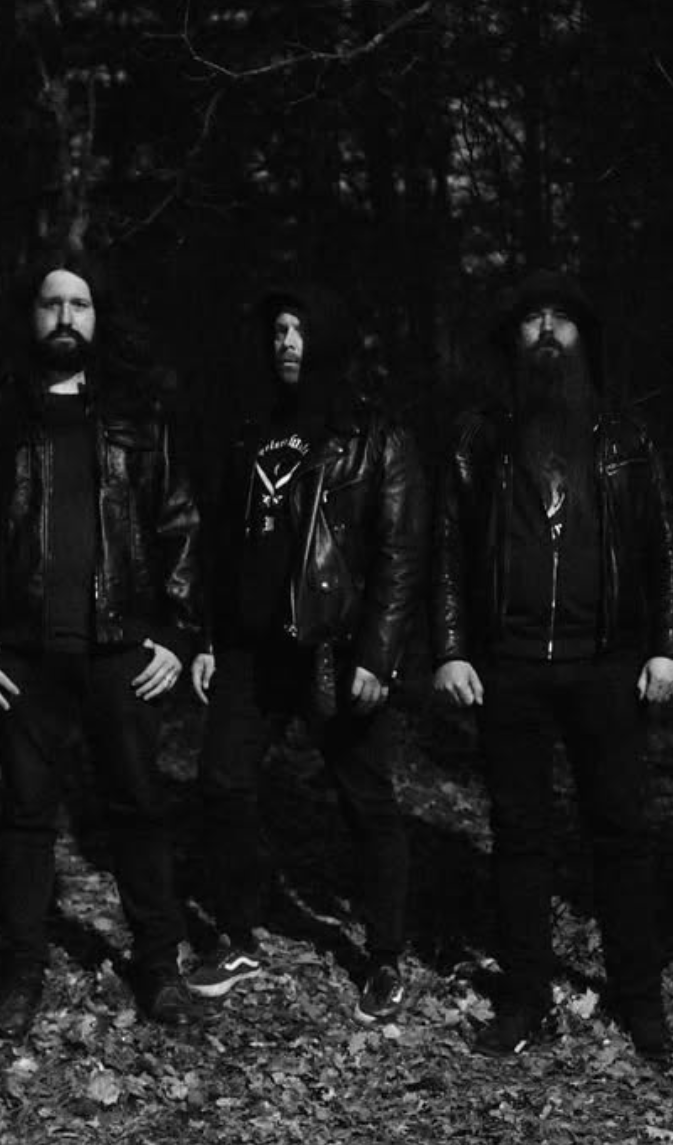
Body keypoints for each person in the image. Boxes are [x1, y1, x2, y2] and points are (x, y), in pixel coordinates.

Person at [0, 252, 204, 1040]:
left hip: (120, 650)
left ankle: (158, 966)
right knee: (25, 818)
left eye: (79, 304)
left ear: (97, 318)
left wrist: (177, 633)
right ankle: (20, 972)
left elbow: (179, 524)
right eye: (51, 304)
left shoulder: (139, 417)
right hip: (20, 657)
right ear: (31, 317)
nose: (65, 317)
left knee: (139, 809)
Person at [430, 270, 673, 1059]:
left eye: (560, 320)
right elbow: (447, 548)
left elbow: (662, 543)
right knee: (518, 839)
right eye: (532, 319)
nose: (545, 331)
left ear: (583, 338)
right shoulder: (481, 435)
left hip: (606, 665)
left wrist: (668, 646)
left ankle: (640, 1001)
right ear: (511, 340)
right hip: (507, 667)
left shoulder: (623, 434)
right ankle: (524, 999)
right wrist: (449, 649)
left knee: (622, 836)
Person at [185, 284, 427, 1025]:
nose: (286, 342)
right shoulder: (252, 429)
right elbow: (220, 542)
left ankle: (384, 958)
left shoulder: (373, 435)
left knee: (367, 803)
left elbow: (400, 552)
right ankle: (238, 934)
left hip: (334, 649)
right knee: (222, 785)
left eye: (300, 330)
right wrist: (208, 638)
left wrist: (377, 656)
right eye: (279, 330)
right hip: (250, 650)